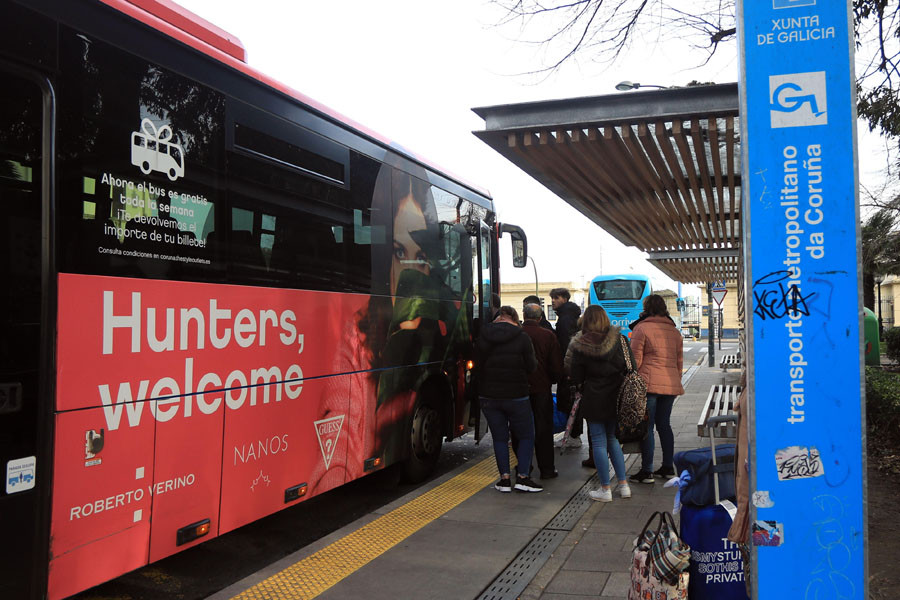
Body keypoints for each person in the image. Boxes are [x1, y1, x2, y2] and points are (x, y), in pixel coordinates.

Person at [565, 305, 631, 502]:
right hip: (616, 396)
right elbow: (631, 366)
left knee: (599, 442)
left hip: (594, 397)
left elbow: (575, 375)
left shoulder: (580, 344)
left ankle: (605, 489)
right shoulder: (620, 339)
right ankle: (623, 485)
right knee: (613, 440)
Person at [476, 306, 542, 493]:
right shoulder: (522, 338)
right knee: (526, 436)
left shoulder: (484, 336)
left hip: (488, 395)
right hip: (516, 396)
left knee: (499, 438)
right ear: (514, 318)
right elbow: (531, 367)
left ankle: (504, 480)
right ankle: (522, 477)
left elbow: (477, 365)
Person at [628, 294, 685, 484]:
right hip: (669, 384)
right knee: (664, 425)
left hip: (648, 385)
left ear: (646, 308)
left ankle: (647, 471)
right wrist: (675, 380)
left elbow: (635, 361)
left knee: (647, 427)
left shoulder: (641, 328)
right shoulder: (674, 332)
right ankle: (668, 467)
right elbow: (679, 362)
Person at [516, 303, 564, 479]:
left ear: (523, 314)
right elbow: (557, 366)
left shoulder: (516, 334)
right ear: (540, 316)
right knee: (543, 430)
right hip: (541, 388)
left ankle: (523, 467)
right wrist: (552, 380)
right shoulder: (548, 336)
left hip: (519, 390)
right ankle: (547, 469)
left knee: (519, 430)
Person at [550, 287, 583, 448]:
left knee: (570, 400)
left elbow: (566, 345)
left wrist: (565, 367)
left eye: (556, 298)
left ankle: (574, 435)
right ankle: (572, 434)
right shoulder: (568, 316)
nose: (553, 301)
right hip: (572, 366)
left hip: (569, 367)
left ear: (564, 298)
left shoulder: (565, 319)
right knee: (571, 400)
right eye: (552, 298)